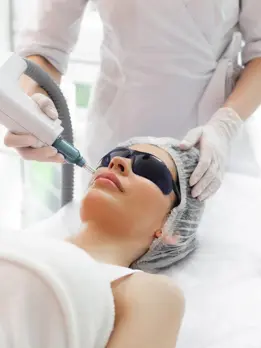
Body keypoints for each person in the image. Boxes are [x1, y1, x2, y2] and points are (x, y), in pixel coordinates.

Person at [5, 1, 261, 201]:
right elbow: (46, 45)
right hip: (118, 128)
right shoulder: (112, 171)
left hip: (211, 142)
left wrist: (224, 125)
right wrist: (33, 108)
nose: (119, 167)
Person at [0, 137, 204, 348]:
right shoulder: (23, 242)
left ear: (173, 228)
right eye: (109, 159)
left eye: (148, 167)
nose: (117, 163)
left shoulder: (149, 291)